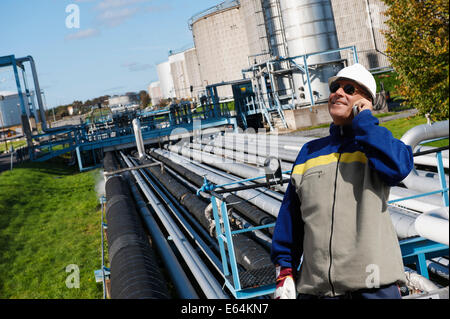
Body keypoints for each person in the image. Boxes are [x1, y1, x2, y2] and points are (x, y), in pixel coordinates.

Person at [270, 63, 414, 299]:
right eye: (335, 87)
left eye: (349, 89)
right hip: (316, 292)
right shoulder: (310, 152)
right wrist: (284, 271)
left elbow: (398, 168)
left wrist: (365, 122)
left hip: (373, 290)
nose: (338, 92)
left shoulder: (377, 146)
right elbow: (290, 218)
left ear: (366, 102)